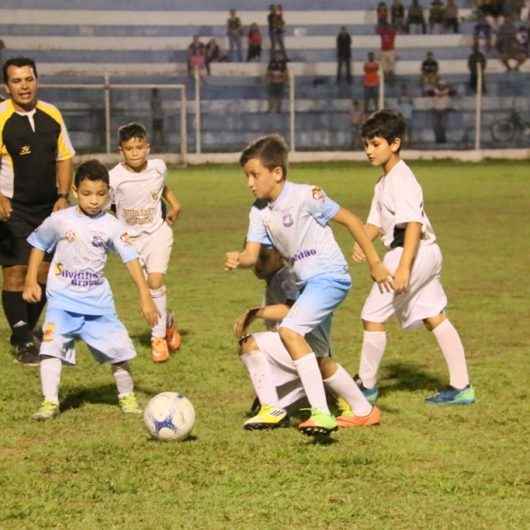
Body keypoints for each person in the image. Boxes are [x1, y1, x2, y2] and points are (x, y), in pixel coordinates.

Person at [224, 134, 392, 436]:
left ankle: (320, 413)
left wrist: (375, 263)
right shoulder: (258, 211)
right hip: (308, 288)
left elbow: (353, 221)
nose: (249, 183)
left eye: (254, 175)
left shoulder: (306, 196)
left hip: (330, 277)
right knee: (314, 357)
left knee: (289, 331)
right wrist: (239, 258)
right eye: (246, 176)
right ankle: (364, 411)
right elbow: (252, 255)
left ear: (277, 172)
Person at [23, 160, 159, 421]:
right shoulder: (60, 220)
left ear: (108, 193)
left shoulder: (112, 225)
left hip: (98, 304)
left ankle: (126, 397)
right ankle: (50, 401)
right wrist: (31, 280)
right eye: (87, 194)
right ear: (75, 191)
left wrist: (145, 296)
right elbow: (39, 243)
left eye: (100, 194)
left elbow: (130, 259)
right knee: (50, 349)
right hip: (62, 301)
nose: (94, 200)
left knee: (120, 353)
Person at [355, 109, 475, 406]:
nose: (369, 151)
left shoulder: (402, 178)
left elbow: (413, 225)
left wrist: (404, 268)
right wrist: (361, 241)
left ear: (394, 144)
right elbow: (375, 224)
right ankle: (462, 388)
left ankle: (366, 387)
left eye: (375, 144)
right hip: (426, 252)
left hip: (412, 251)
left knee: (371, 316)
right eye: (366, 145)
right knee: (434, 316)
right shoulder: (383, 183)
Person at [235, 245, 380, 430]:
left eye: (264, 257)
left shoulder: (286, 276)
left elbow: (290, 307)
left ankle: (272, 408)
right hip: (307, 353)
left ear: (279, 254)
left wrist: (255, 312)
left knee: (249, 343)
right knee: (321, 366)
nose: (258, 264)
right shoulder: (280, 277)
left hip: (304, 350)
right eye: (256, 258)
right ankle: (347, 402)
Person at [0, 57, 75, 365]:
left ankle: (25, 331)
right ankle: (21, 337)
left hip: (49, 209)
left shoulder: (51, 114)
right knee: (16, 273)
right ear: (7, 87)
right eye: (17, 81)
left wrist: (62, 195)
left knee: (43, 276)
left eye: (28, 79)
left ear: (37, 80)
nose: (24, 86)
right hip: (13, 208)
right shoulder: (1, 117)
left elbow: (65, 157)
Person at [109, 122, 182, 363]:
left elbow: (161, 188)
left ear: (147, 147)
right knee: (147, 292)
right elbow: (107, 206)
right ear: (121, 151)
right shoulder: (114, 178)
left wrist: (175, 204)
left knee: (155, 281)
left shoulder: (159, 167)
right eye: (129, 149)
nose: (135, 153)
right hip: (130, 241)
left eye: (139, 147)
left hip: (157, 233)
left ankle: (157, 339)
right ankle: (167, 321)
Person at [430, 79, 451, 143]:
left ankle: (443, 139)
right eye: (440, 85)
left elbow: (448, 102)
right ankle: (438, 139)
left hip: (444, 111)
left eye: (443, 85)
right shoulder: (435, 93)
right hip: (436, 111)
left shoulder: (447, 93)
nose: (441, 87)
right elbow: (433, 102)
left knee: (443, 126)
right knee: (436, 126)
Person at [377, 20, 397, 85]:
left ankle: (391, 80)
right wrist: (382, 25)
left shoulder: (392, 32)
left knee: (391, 67)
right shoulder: (382, 32)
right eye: (385, 26)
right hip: (383, 51)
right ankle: (386, 79)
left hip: (390, 51)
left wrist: (390, 26)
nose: (386, 27)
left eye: (387, 26)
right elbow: (377, 30)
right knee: (384, 67)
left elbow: (395, 29)